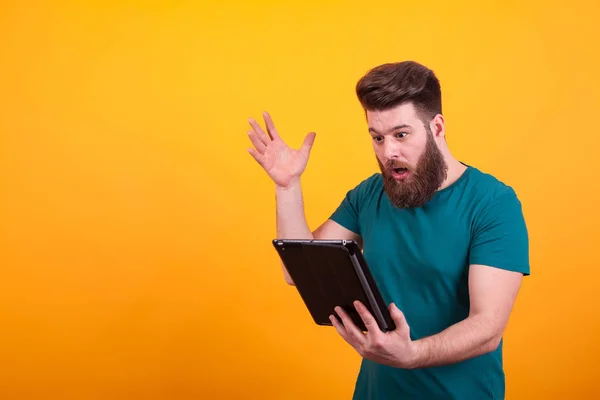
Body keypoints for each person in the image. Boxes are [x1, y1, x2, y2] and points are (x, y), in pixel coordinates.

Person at [246, 60, 530, 400]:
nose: (388, 152)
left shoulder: (492, 203)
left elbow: (488, 328)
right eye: (377, 137)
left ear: (437, 127)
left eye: (401, 134)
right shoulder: (370, 193)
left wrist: (413, 355)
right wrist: (288, 187)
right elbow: (300, 273)